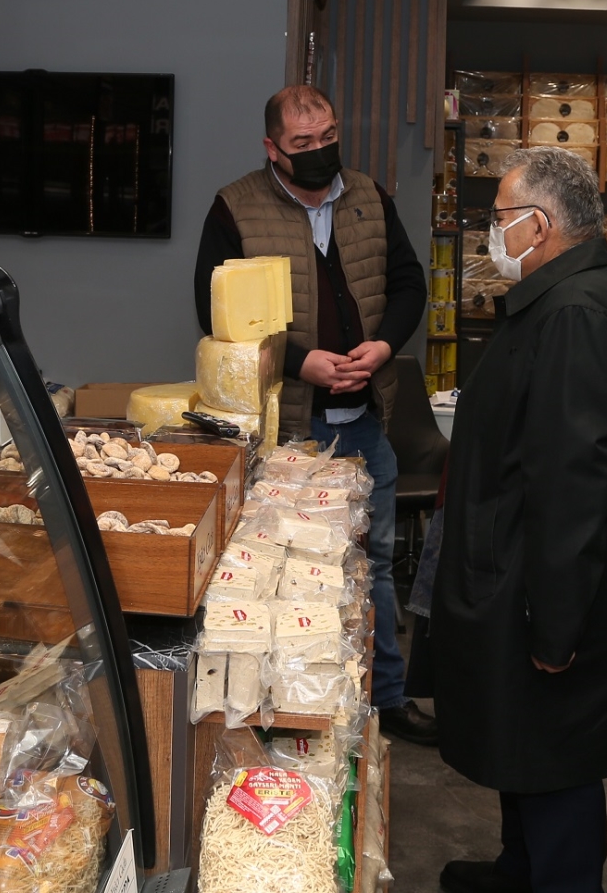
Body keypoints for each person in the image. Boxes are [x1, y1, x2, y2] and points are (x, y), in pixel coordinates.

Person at [431, 146, 607, 893]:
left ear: (539, 224)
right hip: (518, 565)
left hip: (545, 584)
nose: (490, 233)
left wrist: (557, 625)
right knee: (523, 738)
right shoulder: (561, 297)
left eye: (498, 218)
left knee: (554, 753)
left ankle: (557, 880)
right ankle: (519, 870)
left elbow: (572, 484)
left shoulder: (576, 315)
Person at [193, 84, 434, 745]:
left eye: (328, 137)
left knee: (374, 565)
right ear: (272, 148)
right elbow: (214, 316)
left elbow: (409, 282)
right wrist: (301, 363)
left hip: (365, 421)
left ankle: (385, 699)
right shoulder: (235, 207)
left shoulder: (369, 197)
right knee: (285, 574)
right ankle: (292, 711)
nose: (320, 151)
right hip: (286, 432)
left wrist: (383, 346)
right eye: (303, 143)